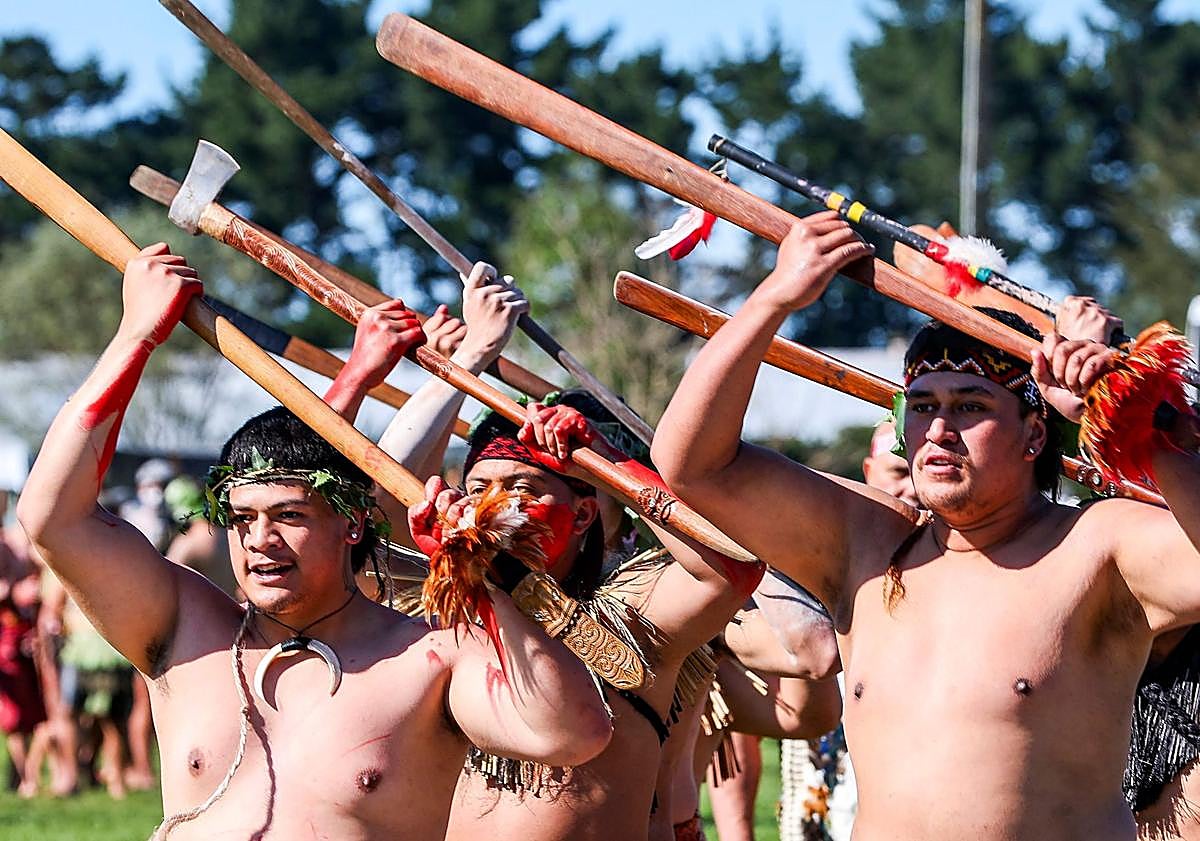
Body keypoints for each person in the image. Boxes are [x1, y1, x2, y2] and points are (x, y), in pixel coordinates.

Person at [16, 243, 611, 839]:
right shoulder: (185, 627)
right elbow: (52, 518)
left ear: (353, 522)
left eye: (288, 515)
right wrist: (137, 336)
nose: (260, 541)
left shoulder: (425, 657)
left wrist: (475, 574)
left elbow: (573, 733)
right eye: (242, 518)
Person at [651, 210, 1200, 841]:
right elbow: (691, 466)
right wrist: (776, 297)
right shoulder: (869, 538)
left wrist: (1137, 420)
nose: (939, 431)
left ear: (1034, 435)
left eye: (970, 407)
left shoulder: (1100, 545)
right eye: (923, 407)